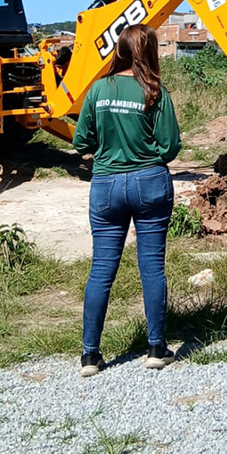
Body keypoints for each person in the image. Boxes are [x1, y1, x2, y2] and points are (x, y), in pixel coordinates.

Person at [72, 25, 182, 377]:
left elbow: (80, 142)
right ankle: (156, 348)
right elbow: (170, 146)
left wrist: (106, 147)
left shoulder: (98, 89)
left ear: (118, 50)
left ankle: (90, 355)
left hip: (106, 186)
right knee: (152, 267)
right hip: (150, 184)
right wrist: (147, 154)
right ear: (150, 52)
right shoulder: (155, 91)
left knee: (102, 270)